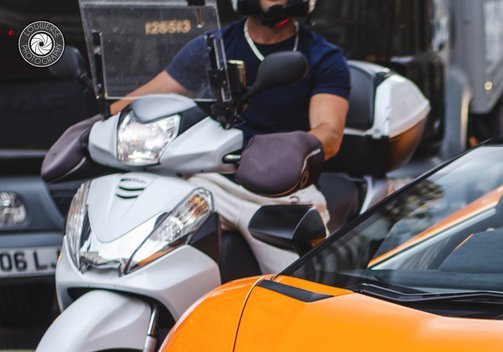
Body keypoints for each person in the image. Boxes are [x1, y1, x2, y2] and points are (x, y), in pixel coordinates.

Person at [111, 0, 351, 270]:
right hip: (212, 183)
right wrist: (96, 127)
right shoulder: (214, 46)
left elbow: (329, 133)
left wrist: (292, 152)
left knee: (302, 292)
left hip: (281, 193)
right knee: (145, 257)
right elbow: (138, 100)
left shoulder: (323, 56)